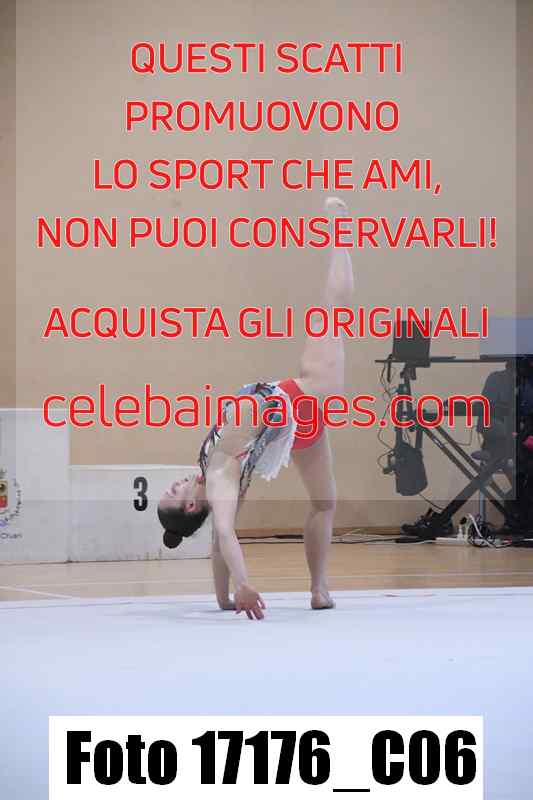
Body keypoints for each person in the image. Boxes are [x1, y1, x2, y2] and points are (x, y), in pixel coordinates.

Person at [158, 197, 355, 619]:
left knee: (325, 503)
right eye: (174, 491)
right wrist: (245, 585)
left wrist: (224, 599)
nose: (174, 483)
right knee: (332, 310)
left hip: (289, 428)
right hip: (300, 400)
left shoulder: (211, 474)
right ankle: (341, 229)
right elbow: (225, 532)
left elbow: (219, 539)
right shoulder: (217, 480)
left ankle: (320, 589)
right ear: (191, 506)